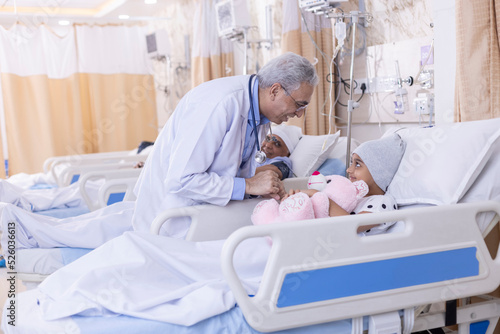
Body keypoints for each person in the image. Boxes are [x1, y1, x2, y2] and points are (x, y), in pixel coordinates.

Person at [132, 52, 318, 236]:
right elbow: (181, 180)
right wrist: (248, 185)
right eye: (299, 104)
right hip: (170, 220)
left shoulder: (261, 116)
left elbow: (229, 171)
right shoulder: (220, 103)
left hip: (207, 215)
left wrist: (257, 190)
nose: (299, 114)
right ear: (275, 90)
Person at [285, 133, 406, 235]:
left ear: (378, 172)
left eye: (357, 164)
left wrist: (318, 195)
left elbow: (352, 225)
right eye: (351, 163)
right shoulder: (353, 197)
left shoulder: (382, 202)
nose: (349, 170)